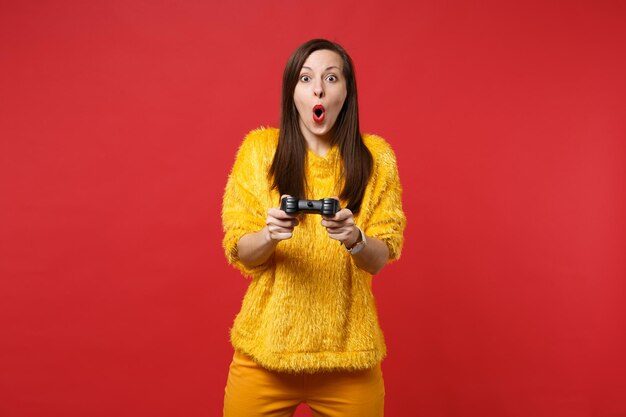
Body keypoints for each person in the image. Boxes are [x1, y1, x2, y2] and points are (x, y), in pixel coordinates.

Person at [221, 38, 406, 417]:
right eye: (305, 78)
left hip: (348, 356)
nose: (318, 88)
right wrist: (270, 235)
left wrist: (355, 239)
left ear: (346, 91)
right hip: (266, 351)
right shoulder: (259, 152)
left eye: (331, 77)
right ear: (292, 92)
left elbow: (381, 255)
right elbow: (240, 250)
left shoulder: (377, 159)